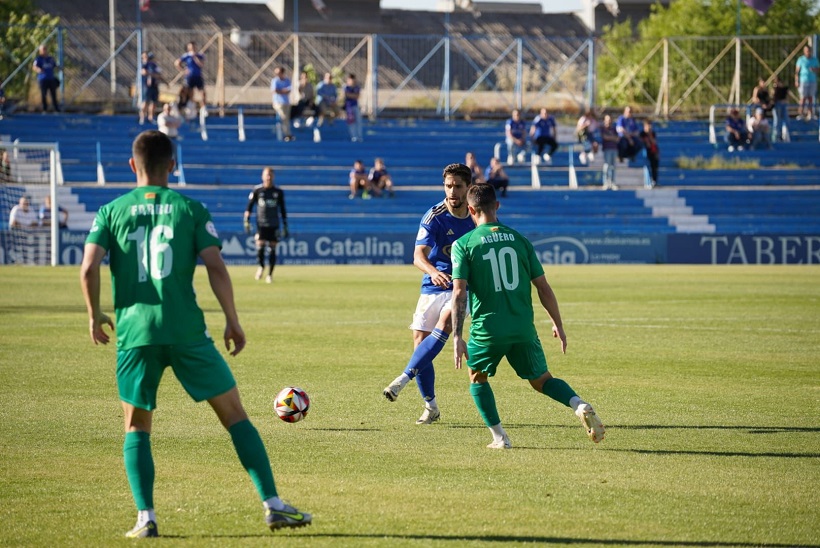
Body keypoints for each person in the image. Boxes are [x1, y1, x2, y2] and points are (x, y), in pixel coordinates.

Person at [79, 130, 311, 539]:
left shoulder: (110, 211)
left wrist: (94, 314)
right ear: (173, 165)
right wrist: (232, 319)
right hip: (186, 329)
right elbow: (216, 267)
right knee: (235, 415)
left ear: (133, 165)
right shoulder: (189, 209)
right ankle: (273, 504)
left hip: (134, 333)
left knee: (135, 426)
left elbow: (88, 268)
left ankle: (145, 518)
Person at [451, 183, 605, 450]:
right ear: (497, 206)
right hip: (523, 327)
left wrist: (456, 336)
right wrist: (558, 324)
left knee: (477, 377)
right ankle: (578, 404)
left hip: (488, 329)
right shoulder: (521, 240)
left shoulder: (463, 244)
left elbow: (458, 293)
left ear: (471, 209)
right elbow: (543, 287)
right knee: (542, 380)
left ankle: (500, 438)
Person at [382, 163, 475, 425]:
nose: (452, 191)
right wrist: (433, 272)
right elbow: (418, 256)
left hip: (463, 285)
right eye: (448, 186)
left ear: (468, 187)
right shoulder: (434, 215)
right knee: (420, 340)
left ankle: (402, 379)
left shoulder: (477, 214)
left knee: (445, 324)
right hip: (434, 284)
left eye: (458, 186)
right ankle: (431, 406)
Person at [244, 167, 288, 284]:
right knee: (260, 246)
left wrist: (285, 225)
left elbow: (283, 209)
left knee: (273, 249)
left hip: (274, 224)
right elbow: (249, 207)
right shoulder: (257, 190)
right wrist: (246, 220)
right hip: (261, 224)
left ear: (273, 177)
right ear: (262, 176)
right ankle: (261, 266)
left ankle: (270, 275)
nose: (268, 177)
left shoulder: (278, 192)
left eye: (270, 175)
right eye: (266, 175)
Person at [175, 42, 206, 110]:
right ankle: (188, 105)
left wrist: (194, 57)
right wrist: (183, 70)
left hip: (197, 76)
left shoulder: (199, 55)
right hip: (189, 77)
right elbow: (177, 63)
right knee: (189, 91)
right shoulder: (186, 56)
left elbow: (201, 64)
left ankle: (203, 108)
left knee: (202, 92)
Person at [32, 44, 60, 113]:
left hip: (51, 78)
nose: (44, 51)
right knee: (44, 94)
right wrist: (38, 69)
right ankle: (45, 109)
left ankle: (56, 108)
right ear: (40, 51)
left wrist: (59, 67)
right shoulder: (38, 59)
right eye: (42, 49)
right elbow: (34, 66)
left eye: (45, 49)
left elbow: (54, 65)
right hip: (43, 79)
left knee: (53, 94)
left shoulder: (50, 58)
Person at [795, 44, 819, 121]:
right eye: (806, 51)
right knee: (803, 98)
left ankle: (810, 114)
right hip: (803, 81)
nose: (807, 52)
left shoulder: (814, 59)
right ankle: (801, 113)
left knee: (811, 98)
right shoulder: (801, 59)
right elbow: (797, 71)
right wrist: (796, 80)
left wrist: (814, 70)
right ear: (804, 51)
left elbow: (818, 69)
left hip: (812, 81)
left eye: (809, 51)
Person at [271, 67, 294, 142]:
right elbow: (275, 90)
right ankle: (287, 134)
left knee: (286, 118)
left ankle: (287, 134)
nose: (277, 75)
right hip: (277, 102)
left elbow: (288, 90)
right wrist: (283, 90)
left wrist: (280, 90)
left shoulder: (287, 80)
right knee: (283, 117)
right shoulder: (275, 80)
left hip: (286, 102)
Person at [140, 52, 162, 125]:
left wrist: (152, 74)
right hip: (147, 86)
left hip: (154, 86)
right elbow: (144, 72)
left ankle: (151, 117)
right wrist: (153, 75)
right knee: (145, 101)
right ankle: (142, 118)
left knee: (154, 102)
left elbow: (159, 74)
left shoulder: (154, 65)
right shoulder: (144, 64)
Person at [600, 114, 619, 190]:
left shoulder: (614, 129)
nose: (609, 121)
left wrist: (610, 138)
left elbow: (617, 139)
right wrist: (612, 138)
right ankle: (606, 182)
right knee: (607, 166)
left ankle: (613, 183)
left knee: (613, 166)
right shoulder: (603, 129)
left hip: (614, 149)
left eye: (610, 119)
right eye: (607, 120)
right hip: (607, 149)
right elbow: (605, 137)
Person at [640, 119, 660, 188]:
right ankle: (647, 182)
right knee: (647, 168)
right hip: (646, 153)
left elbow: (654, 142)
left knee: (654, 167)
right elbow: (643, 143)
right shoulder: (642, 134)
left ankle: (654, 181)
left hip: (653, 152)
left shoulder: (653, 133)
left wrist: (650, 135)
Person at [344, 73, 363, 142]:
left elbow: (357, 96)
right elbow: (347, 95)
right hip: (349, 106)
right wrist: (353, 95)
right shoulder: (346, 87)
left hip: (355, 105)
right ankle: (354, 136)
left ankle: (359, 136)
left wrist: (351, 95)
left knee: (358, 121)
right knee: (351, 122)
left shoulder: (357, 87)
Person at [772, 75, 790, 143]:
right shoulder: (775, 88)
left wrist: (785, 100)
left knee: (786, 120)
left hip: (783, 105)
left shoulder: (785, 88)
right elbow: (773, 97)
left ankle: (784, 135)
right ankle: (776, 137)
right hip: (777, 105)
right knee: (777, 121)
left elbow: (787, 98)